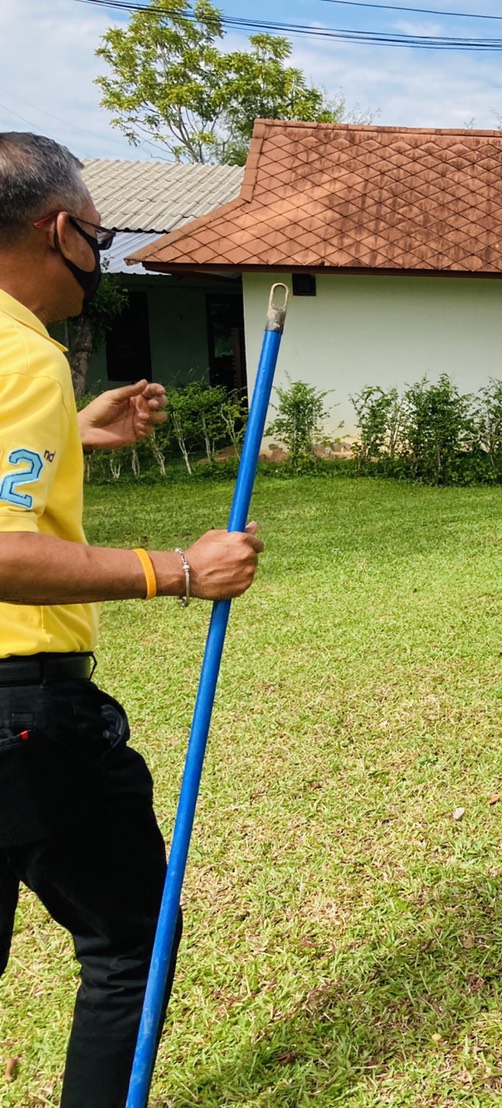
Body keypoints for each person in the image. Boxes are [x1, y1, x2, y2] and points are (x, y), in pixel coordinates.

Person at [0, 132, 263, 1107]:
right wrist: (181, 571)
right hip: (22, 712)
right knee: (129, 940)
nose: (100, 258)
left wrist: (72, 434)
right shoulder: (24, 357)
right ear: (57, 228)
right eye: (99, 238)